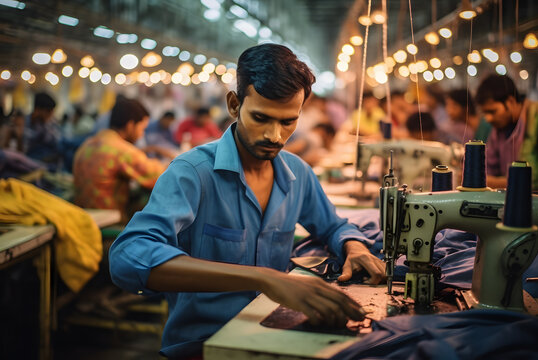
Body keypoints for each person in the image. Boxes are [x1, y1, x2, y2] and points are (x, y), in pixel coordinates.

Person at [109, 44, 385, 359]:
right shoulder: (193, 174)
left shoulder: (297, 174)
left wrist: (354, 246)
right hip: (200, 344)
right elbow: (128, 257)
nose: (275, 136)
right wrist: (265, 277)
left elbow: (332, 225)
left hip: (272, 335)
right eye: (261, 118)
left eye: (287, 122)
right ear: (233, 104)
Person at [72, 97, 166, 223]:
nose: (142, 134)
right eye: (142, 129)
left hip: (83, 216)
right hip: (108, 221)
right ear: (130, 125)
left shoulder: (88, 143)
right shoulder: (121, 150)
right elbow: (158, 176)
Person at [475, 74, 538, 190]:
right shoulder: (498, 131)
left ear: (510, 101)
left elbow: (534, 181)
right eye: (485, 113)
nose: (488, 119)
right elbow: (489, 167)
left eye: (492, 111)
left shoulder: (536, 119)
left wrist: (493, 182)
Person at [23, 92, 62, 170]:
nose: (51, 114)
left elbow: (58, 142)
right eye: (48, 111)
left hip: (48, 164)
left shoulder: (46, 124)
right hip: (31, 163)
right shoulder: (24, 123)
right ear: (37, 110)